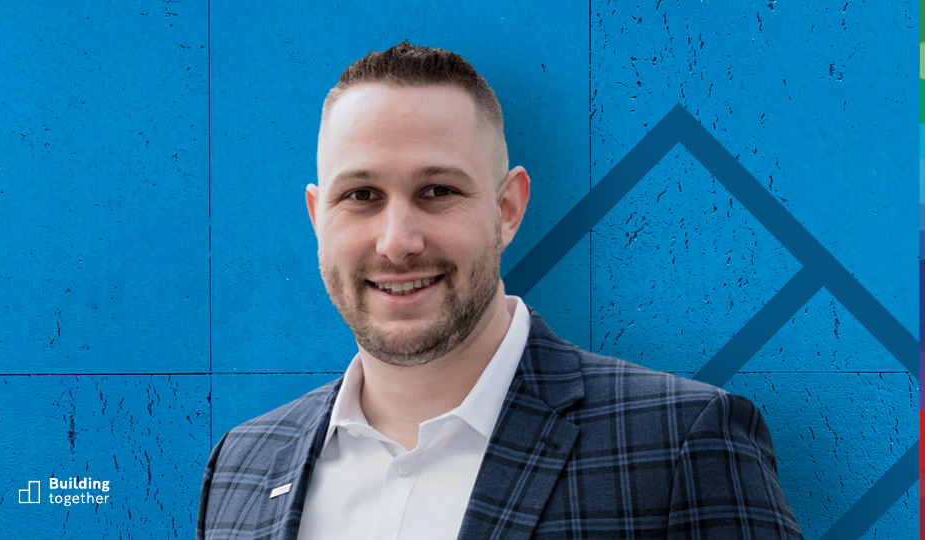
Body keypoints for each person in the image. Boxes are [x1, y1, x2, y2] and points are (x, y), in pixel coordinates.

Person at [196, 41, 803, 540]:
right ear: (316, 217)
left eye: (438, 191)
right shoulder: (240, 465)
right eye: (361, 196)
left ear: (507, 209)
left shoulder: (680, 440)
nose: (397, 241)